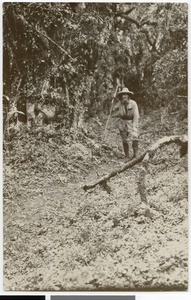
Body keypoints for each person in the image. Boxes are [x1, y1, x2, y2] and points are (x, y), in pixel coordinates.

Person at [112, 87, 139, 159]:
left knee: (135, 136)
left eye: (126, 94)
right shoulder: (119, 103)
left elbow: (136, 116)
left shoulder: (133, 103)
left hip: (131, 121)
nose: (124, 96)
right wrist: (113, 102)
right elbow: (113, 109)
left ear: (128, 96)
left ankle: (135, 155)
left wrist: (134, 126)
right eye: (123, 95)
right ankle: (127, 155)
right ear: (121, 96)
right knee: (124, 139)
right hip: (122, 122)